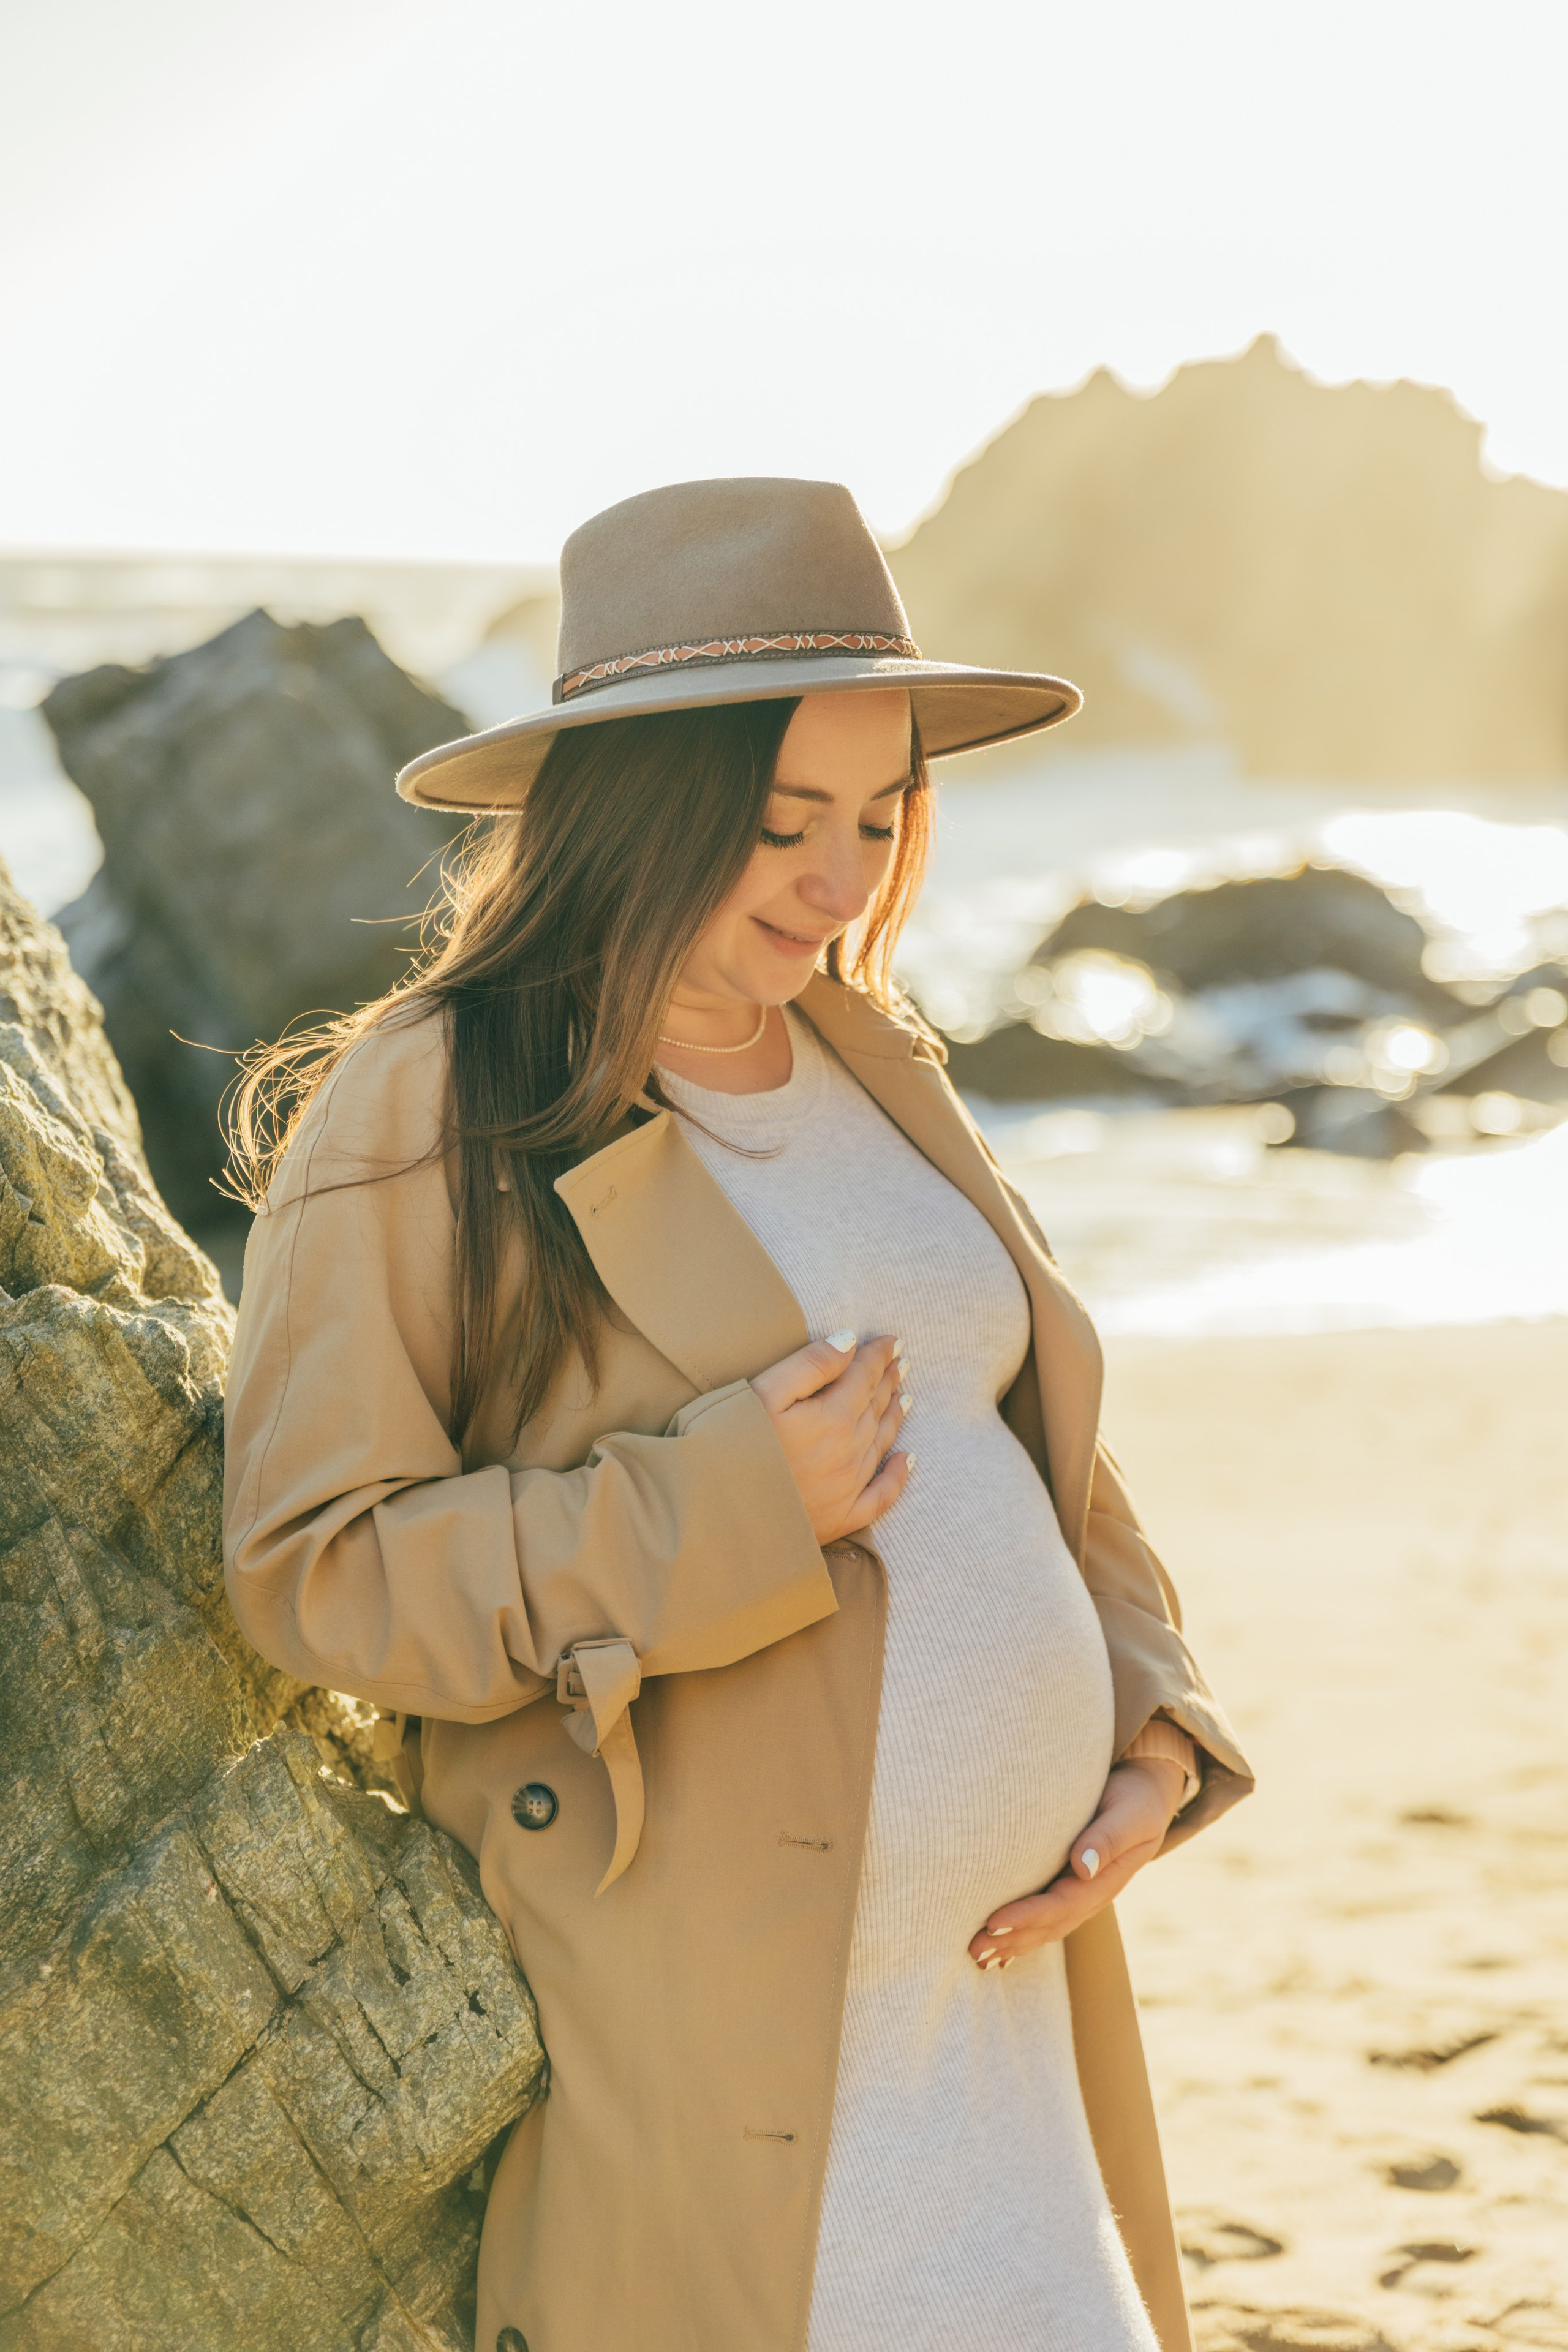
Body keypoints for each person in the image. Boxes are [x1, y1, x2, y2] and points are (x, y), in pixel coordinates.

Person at [224, 476, 1253, 2352]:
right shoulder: (436, 1098)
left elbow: (1030, 1435)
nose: (843, 882)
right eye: (784, 824)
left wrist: (1154, 1725)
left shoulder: (878, 1055)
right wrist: (722, 1508)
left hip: (1007, 2014)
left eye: (879, 816)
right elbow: (317, 1573)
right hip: (739, 2055)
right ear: (638, 806)